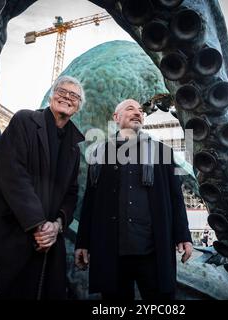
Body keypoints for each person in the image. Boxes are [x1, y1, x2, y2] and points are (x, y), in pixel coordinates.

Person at [0, 75, 86, 299]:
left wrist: (57, 224)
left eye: (74, 96)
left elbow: (71, 192)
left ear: (78, 106)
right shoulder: (25, 120)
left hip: (43, 242)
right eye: (61, 91)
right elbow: (12, 172)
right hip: (4, 231)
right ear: (51, 96)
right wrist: (39, 224)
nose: (67, 97)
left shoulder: (75, 148)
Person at [74, 99, 193, 300]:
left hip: (152, 251)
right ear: (116, 117)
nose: (138, 113)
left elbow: (175, 198)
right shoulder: (100, 153)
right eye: (130, 109)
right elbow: (90, 201)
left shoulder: (162, 152)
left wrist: (183, 235)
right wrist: (83, 242)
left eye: (140, 111)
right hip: (112, 252)